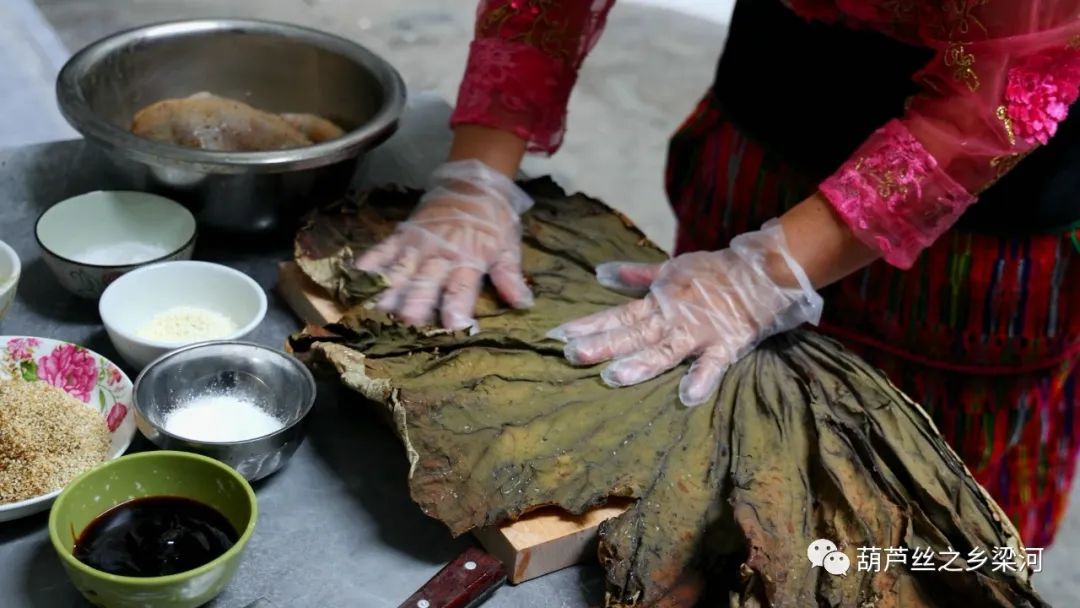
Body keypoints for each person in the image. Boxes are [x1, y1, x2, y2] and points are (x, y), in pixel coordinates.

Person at [355, 1, 1080, 548]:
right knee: (710, 458)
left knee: (921, 514)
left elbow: (1004, 86)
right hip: (766, 124)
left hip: (981, 236)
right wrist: (479, 173)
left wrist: (765, 274)